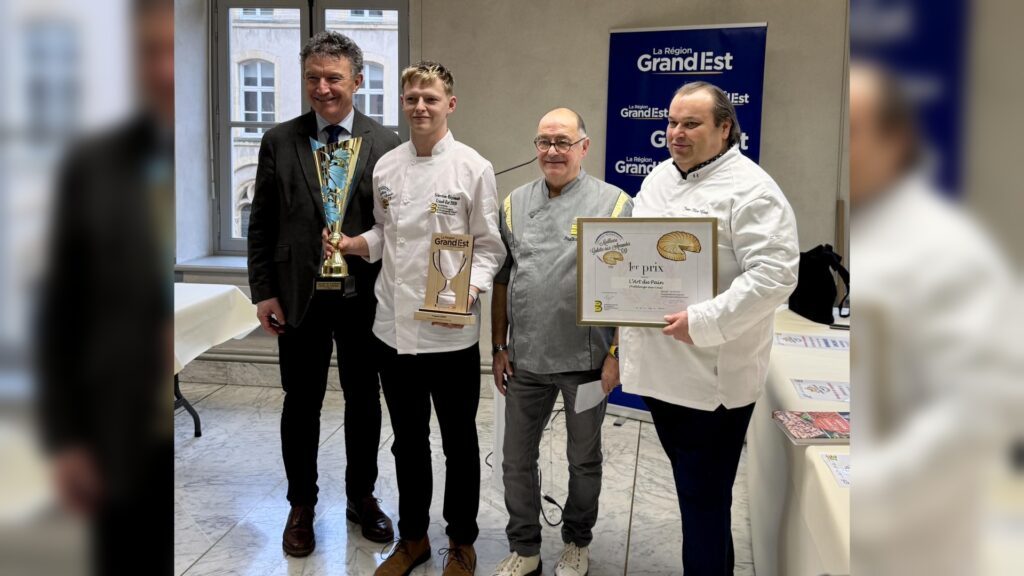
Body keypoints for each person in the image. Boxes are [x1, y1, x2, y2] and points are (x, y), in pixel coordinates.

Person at [324, 61, 505, 576]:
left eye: (430, 98)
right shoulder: (387, 166)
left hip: (450, 333)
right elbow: (385, 235)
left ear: (450, 104)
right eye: (411, 99)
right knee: (407, 441)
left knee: (459, 442)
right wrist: (354, 244)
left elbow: (489, 247)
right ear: (402, 104)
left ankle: (462, 541)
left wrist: (469, 291)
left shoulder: (473, 168)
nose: (420, 107)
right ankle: (413, 538)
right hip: (393, 330)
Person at [614, 81, 799, 575]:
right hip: (660, 372)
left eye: (691, 123)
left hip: (712, 382)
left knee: (703, 500)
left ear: (724, 128)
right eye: (672, 122)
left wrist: (703, 321)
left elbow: (776, 275)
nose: (676, 132)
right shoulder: (659, 178)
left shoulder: (754, 190)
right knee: (697, 495)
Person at [247, 30, 401, 557]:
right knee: (301, 403)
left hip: (365, 297)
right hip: (298, 296)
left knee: (364, 400)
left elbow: (395, 228)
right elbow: (261, 224)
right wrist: (264, 292)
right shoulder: (279, 140)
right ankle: (301, 505)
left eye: (333, 78)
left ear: (356, 81)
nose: (322, 88)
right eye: (313, 78)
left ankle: (362, 497)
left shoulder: (387, 144)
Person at [37, 0, 175, 573]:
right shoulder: (90, 166)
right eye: (149, 52)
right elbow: (59, 309)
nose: (165, 68)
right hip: (116, 427)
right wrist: (65, 438)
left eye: (174, 50)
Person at [488, 108, 631, 576]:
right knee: (515, 459)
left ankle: (576, 541)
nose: (552, 151)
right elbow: (503, 280)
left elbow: (629, 289)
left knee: (583, 459)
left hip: (586, 361)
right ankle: (525, 547)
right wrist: (499, 346)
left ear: (583, 147)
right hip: (525, 359)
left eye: (563, 142)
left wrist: (616, 354)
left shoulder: (613, 203)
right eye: (544, 141)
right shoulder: (514, 204)